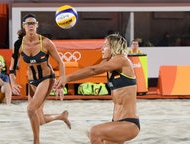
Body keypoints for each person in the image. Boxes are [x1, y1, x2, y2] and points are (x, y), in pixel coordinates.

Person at [55, 34, 140, 144]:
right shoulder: (108, 62)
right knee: (98, 137)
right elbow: (90, 71)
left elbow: (93, 70)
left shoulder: (121, 60)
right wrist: (63, 81)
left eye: (105, 45)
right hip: (116, 122)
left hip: (129, 124)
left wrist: (67, 78)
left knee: (95, 132)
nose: (101, 48)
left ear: (114, 47)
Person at [9, 13, 71, 144]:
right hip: (32, 81)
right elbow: (12, 68)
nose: (30, 25)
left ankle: (36, 141)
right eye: (28, 23)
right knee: (39, 119)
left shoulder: (46, 42)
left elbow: (61, 63)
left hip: (47, 79)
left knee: (30, 109)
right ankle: (61, 116)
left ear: (37, 25)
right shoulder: (18, 44)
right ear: (24, 26)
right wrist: (13, 83)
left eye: (33, 23)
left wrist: (62, 82)